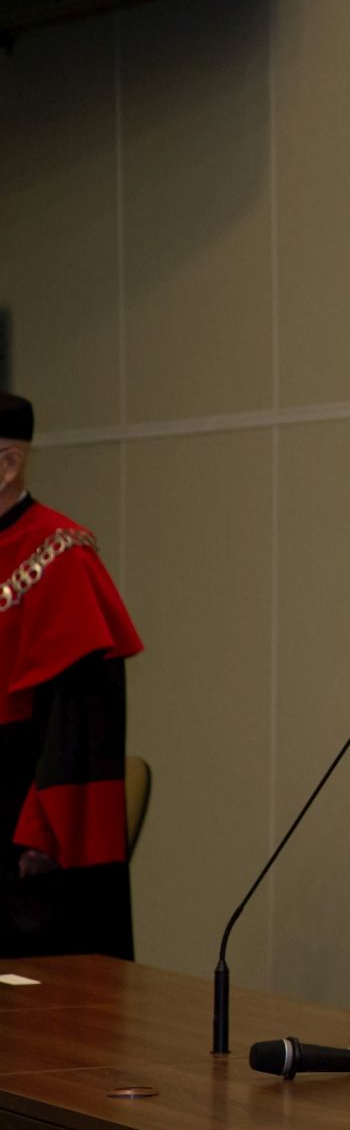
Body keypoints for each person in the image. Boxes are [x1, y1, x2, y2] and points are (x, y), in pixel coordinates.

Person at [0, 393, 142, 961]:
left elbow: (83, 721)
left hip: (22, 817)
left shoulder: (61, 556)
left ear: (9, 465)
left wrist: (42, 829)